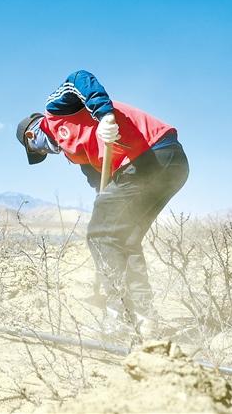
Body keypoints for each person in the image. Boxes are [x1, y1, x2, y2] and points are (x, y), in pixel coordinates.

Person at [16, 70, 189, 335]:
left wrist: (104, 116)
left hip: (154, 153)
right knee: (124, 239)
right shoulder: (75, 153)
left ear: (32, 136)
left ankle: (118, 316)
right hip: (164, 167)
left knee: (100, 235)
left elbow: (79, 78)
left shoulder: (55, 111)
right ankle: (145, 317)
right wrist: (103, 199)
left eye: (38, 149)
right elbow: (100, 183)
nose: (44, 151)